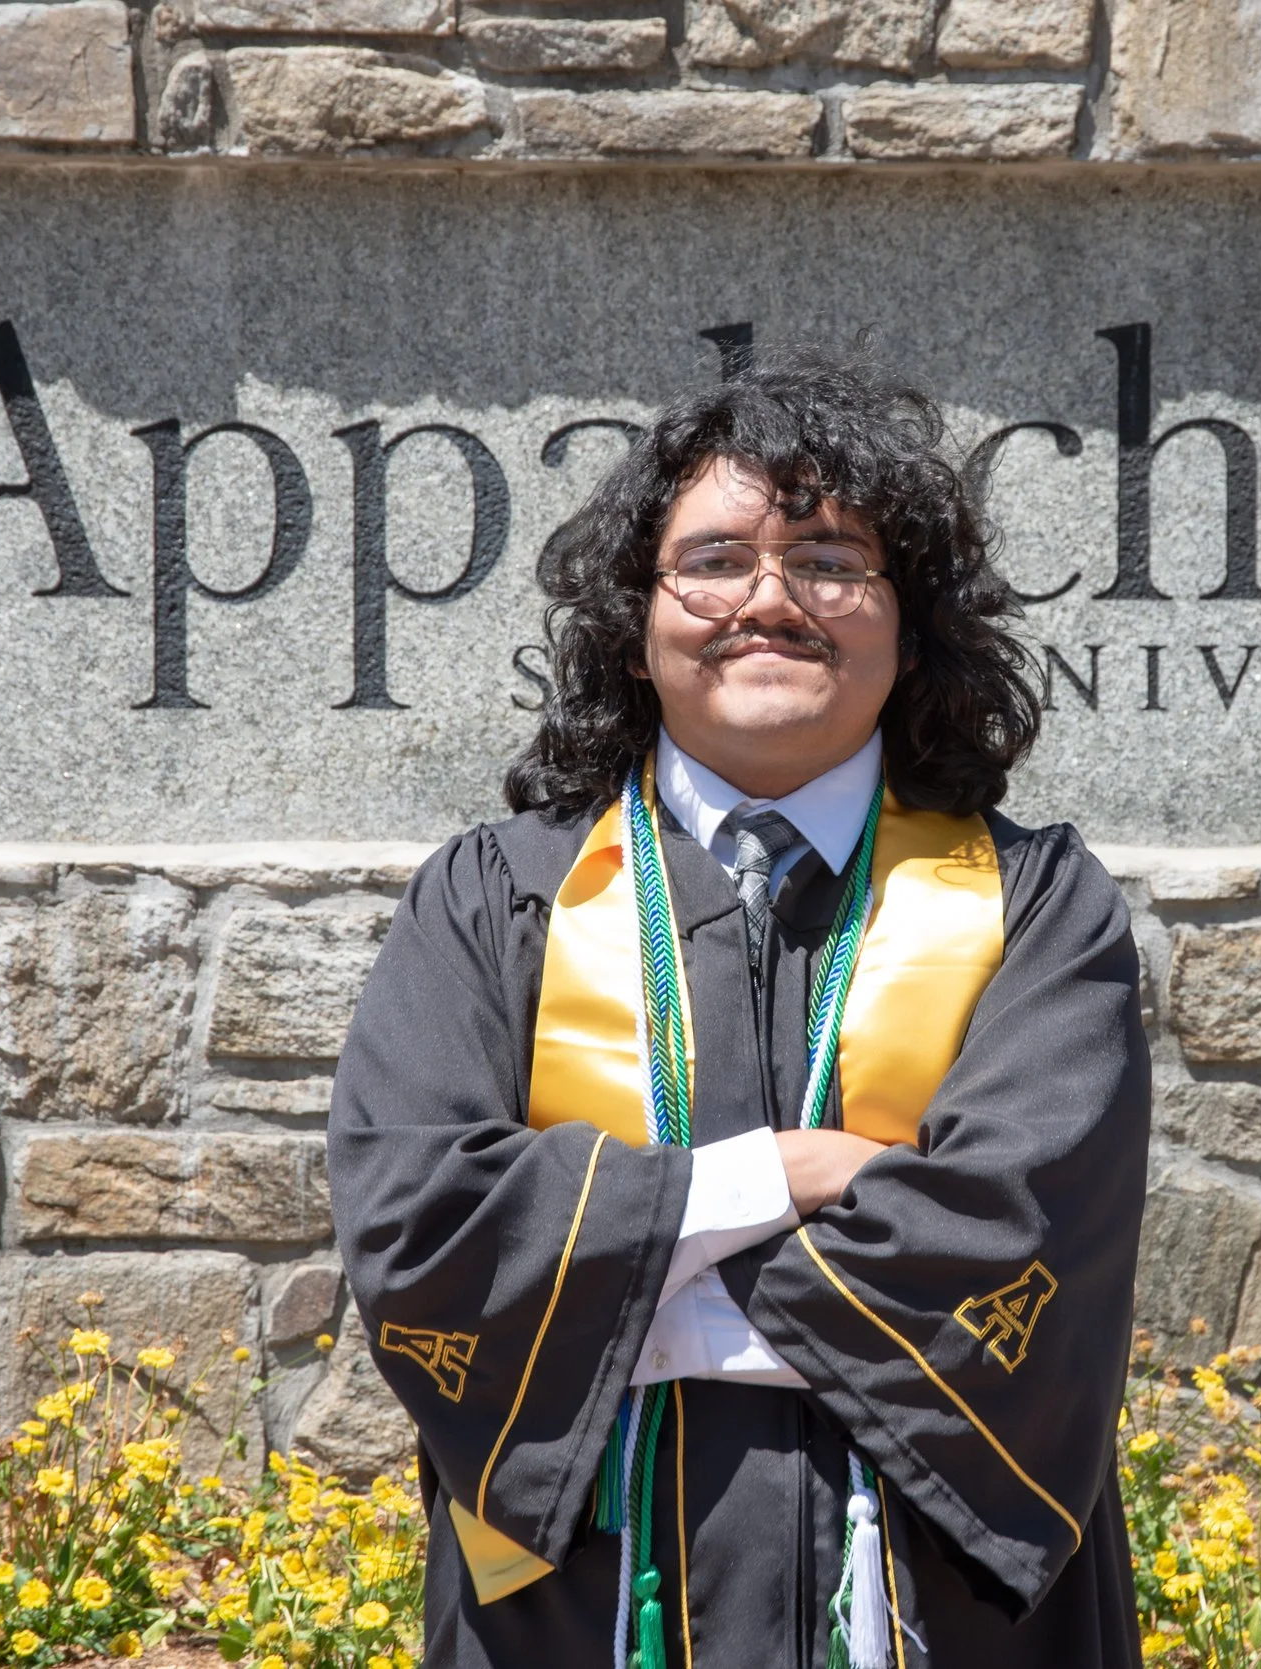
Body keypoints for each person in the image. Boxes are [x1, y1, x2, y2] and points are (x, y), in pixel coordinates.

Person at [329, 346, 1149, 1669]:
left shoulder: (1037, 907)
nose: (770, 600)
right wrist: (788, 1174)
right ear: (635, 626)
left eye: (830, 561)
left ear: (912, 623)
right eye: (713, 561)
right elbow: (425, 1233)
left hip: (936, 1615)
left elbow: (1014, 1246)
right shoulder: (495, 900)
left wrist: (619, 1305)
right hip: (576, 1615)